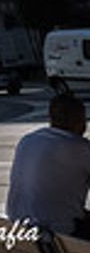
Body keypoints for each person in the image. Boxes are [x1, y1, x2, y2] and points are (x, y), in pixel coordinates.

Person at [6, 92, 90, 237]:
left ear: (51, 119)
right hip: (56, 233)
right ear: (80, 120)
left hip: (18, 225)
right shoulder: (81, 147)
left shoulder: (28, 140)